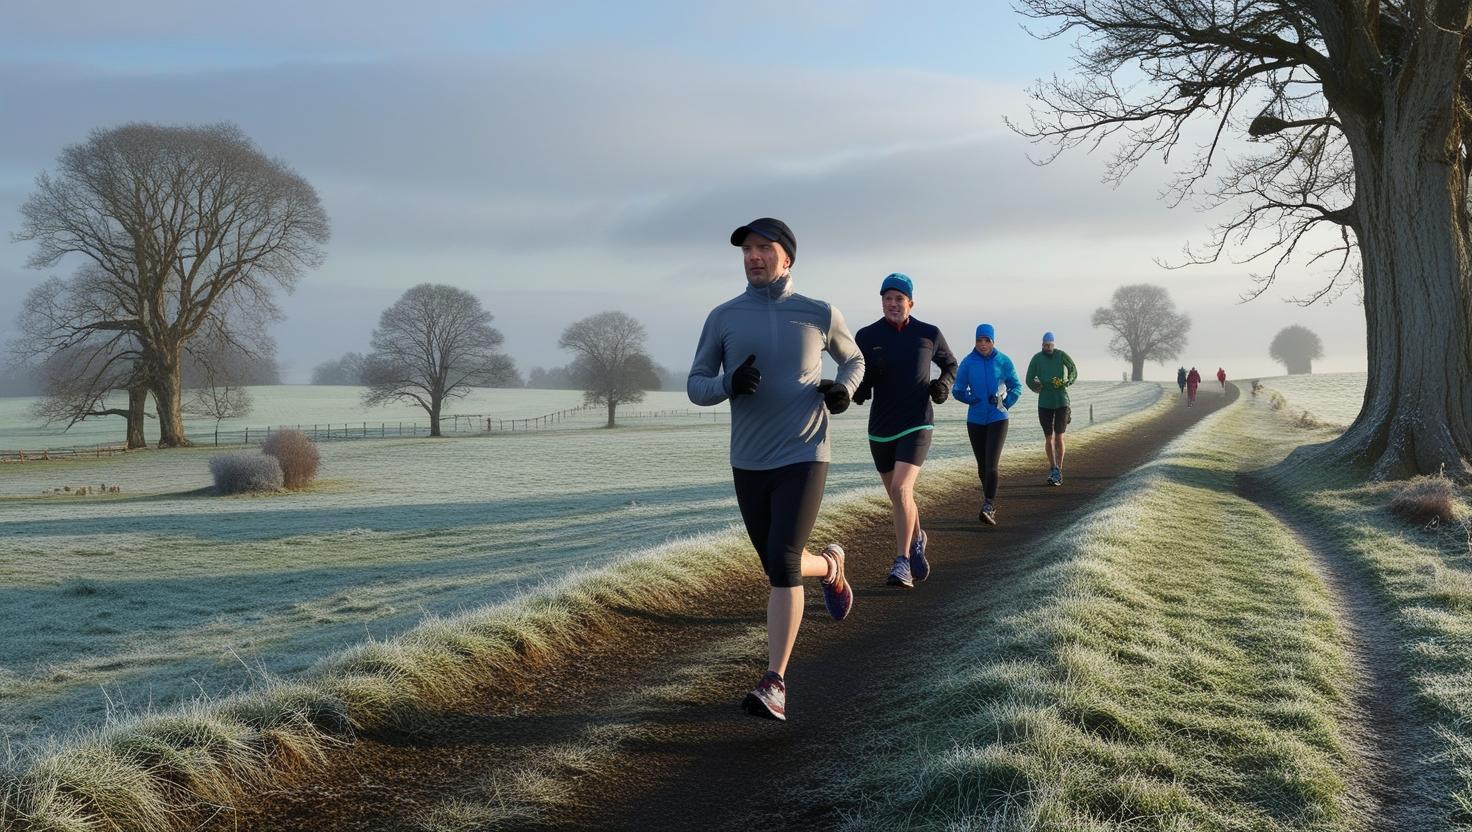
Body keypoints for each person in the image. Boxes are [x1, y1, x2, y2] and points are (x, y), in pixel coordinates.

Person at [687, 217, 864, 722]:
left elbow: (855, 362)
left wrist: (842, 391)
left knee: (782, 564)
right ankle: (830, 566)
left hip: (805, 452)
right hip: (749, 458)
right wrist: (729, 384)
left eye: (764, 248)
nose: (753, 256)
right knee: (777, 563)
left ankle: (775, 682)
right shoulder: (723, 318)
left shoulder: (818, 312)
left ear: (787, 257)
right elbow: (697, 385)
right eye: (747, 249)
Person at [851, 273, 958, 589]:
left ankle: (902, 563)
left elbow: (950, 365)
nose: (893, 304)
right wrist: (859, 389)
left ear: (911, 302)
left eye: (899, 299)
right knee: (899, 497)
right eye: (888, 298)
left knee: (900, 490)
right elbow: (859, 373)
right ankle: (917, 538)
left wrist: (942, 386)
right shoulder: (867, 336)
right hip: (881, 427)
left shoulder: (929, 334)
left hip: (917, 422)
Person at [952, 324, 1021, 526]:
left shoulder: (1003, 361)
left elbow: (1016, 386)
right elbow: (957, 390)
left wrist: (1005, 402)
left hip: (998, 417)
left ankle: (988, 505)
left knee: (991, 464)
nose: (983, 344)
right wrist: (971, 399)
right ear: (975, 341)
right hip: (975, 420)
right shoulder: (968, 362)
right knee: (982, 467)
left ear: (993, 341)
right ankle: (989, 502)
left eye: (987, 340)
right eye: (979, 340)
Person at [1025, 331, 1078, 487]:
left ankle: (1059, 470)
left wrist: (1067, 381)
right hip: (1045, 402)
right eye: (1046, 345)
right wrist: (1036, 388)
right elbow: (1029, 378)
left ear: (1054, 345)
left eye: (1050, 345)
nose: (1048, 348)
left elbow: (1073, 369)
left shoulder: (1061, 355)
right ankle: (1053, 468)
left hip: (1061, 400)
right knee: (1049, 438)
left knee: (1059, 437)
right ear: (1042, 344)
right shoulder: (1037, 358)